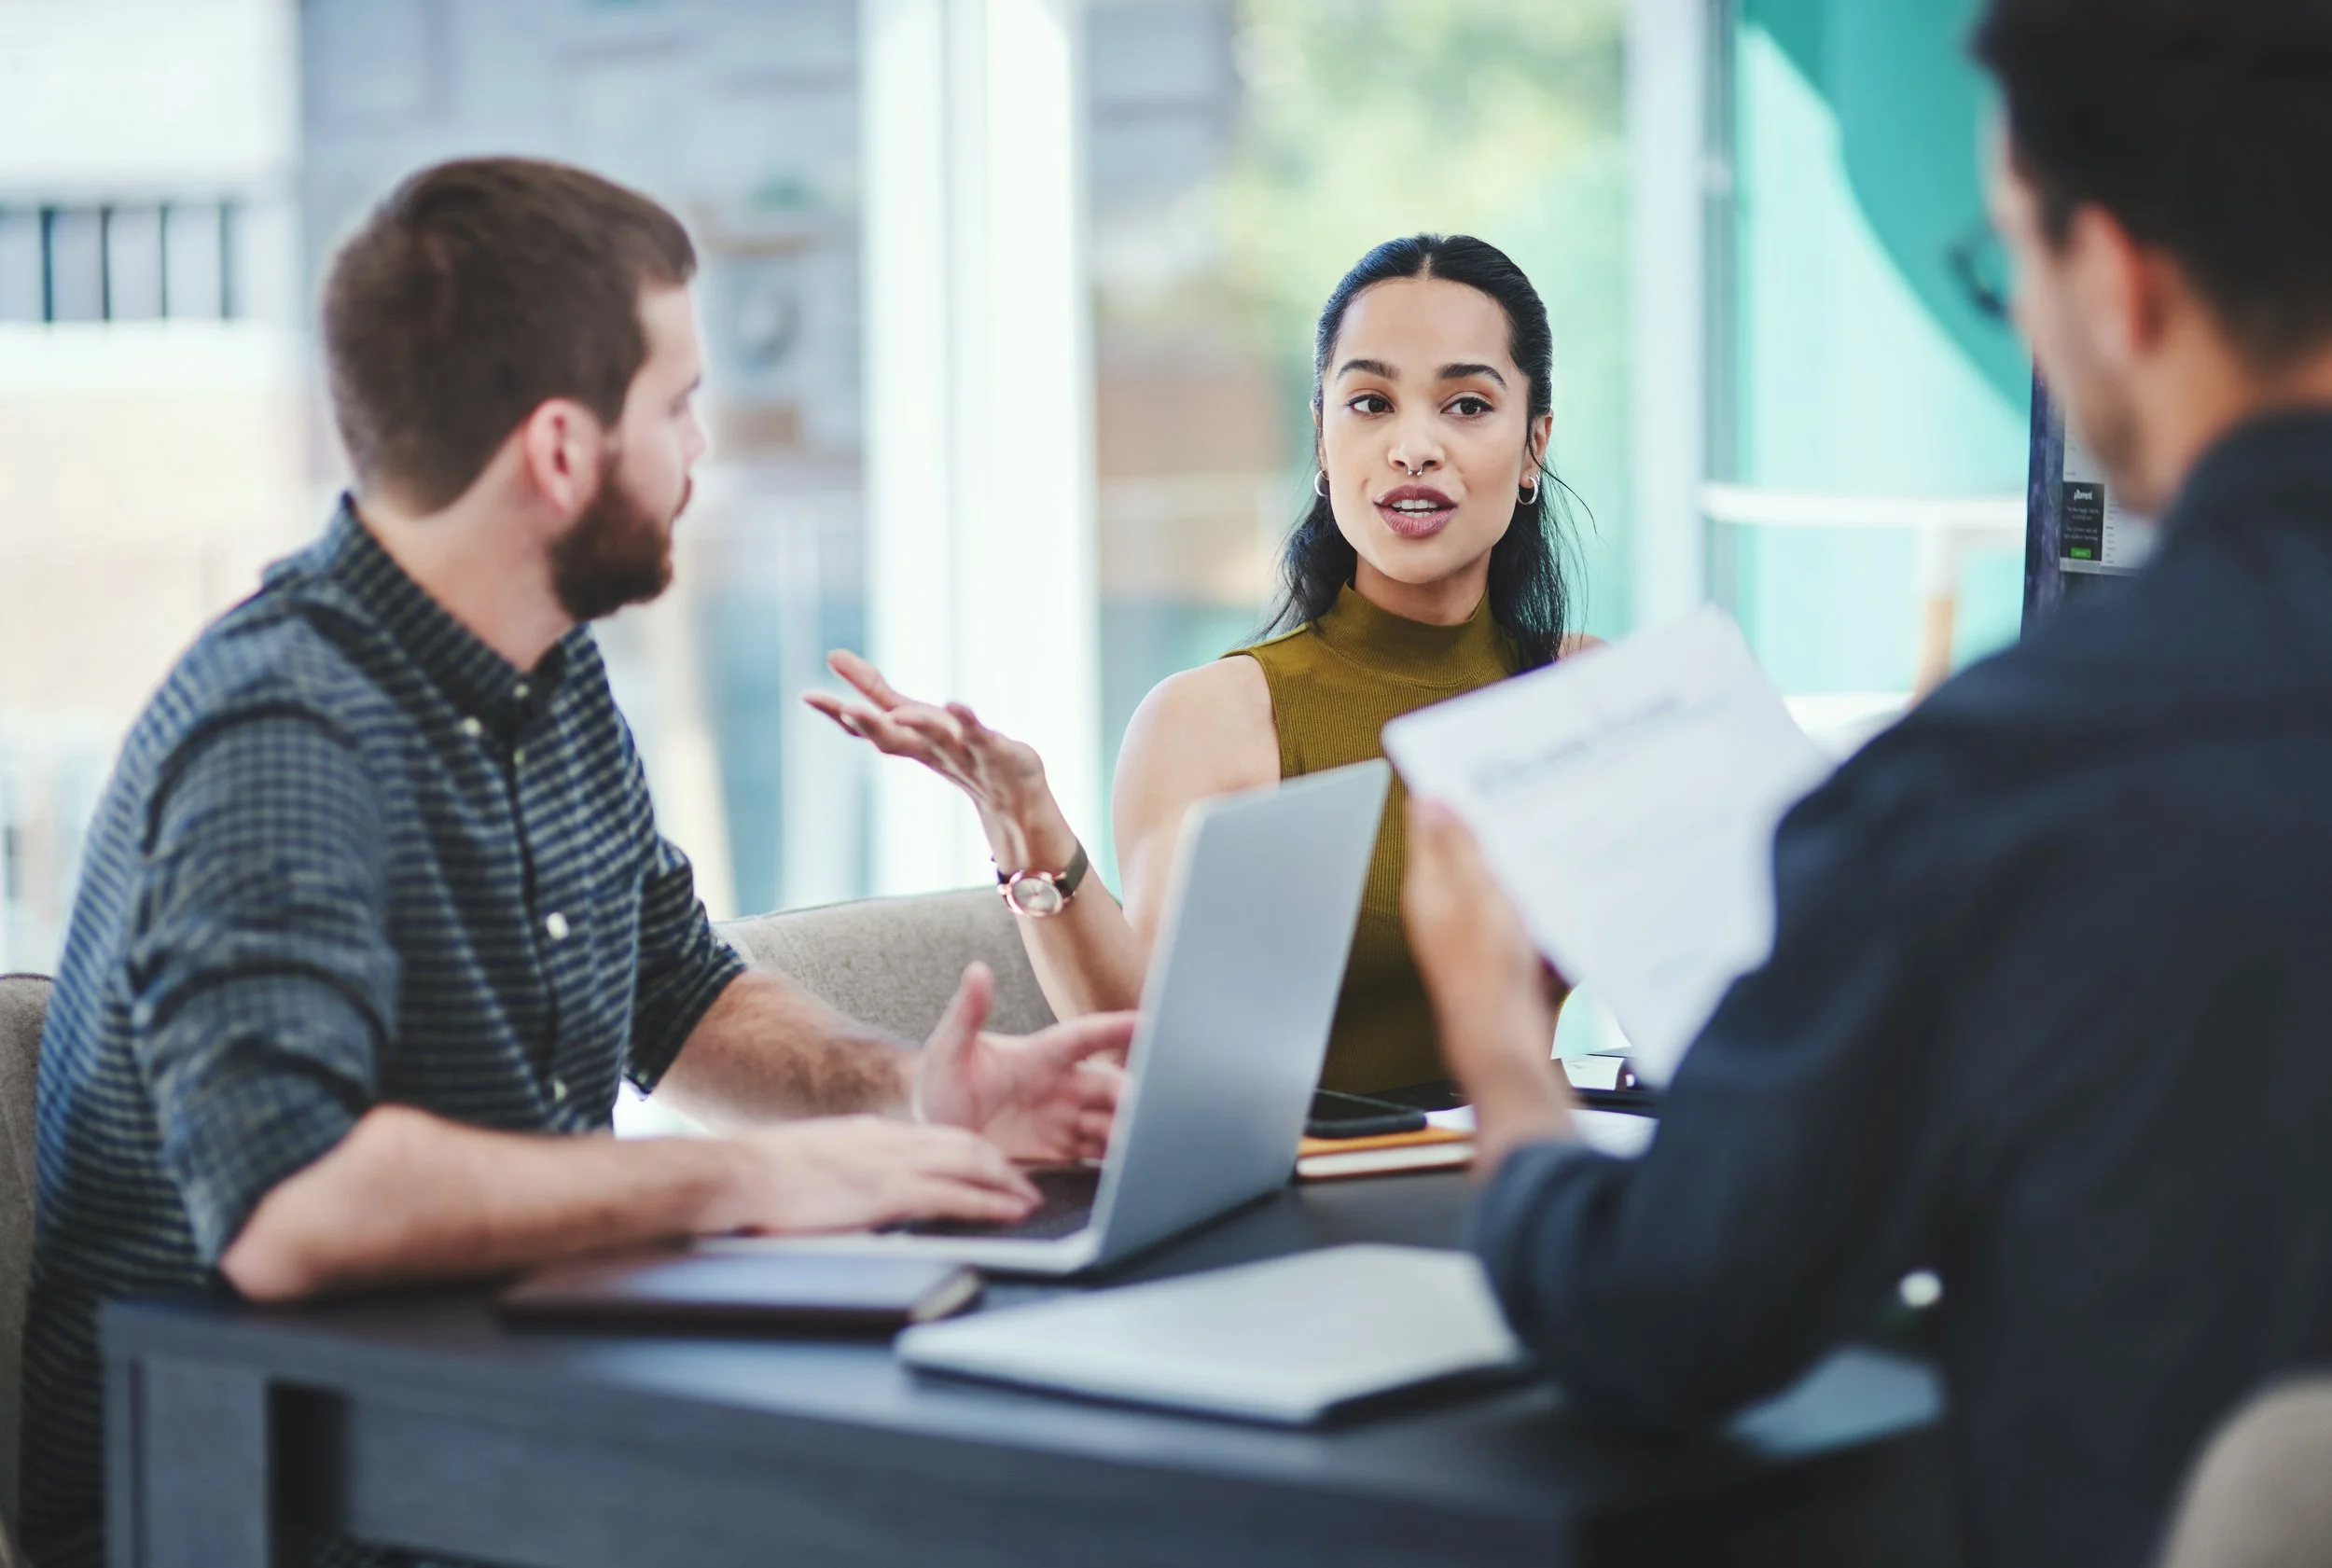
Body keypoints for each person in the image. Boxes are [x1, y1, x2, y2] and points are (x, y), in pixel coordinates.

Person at [21, 158, 1132, 1568]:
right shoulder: (283, 735)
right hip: (283, 1509)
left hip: (507, 1441)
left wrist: (909, 1096)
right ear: (560, 449)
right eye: (676, 406)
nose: (701, 449)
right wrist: (745, 1185)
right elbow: (296, 1210)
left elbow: (682, 999)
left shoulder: (546, 674)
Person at [1397, 4, 2332, 1566]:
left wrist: (1502, 1055)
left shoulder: (2015, 781)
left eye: (2004, 271)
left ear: (2114, 280)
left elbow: (1667, 1320)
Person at [811, 234, 1592, 1096]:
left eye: (1468, 406)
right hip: (1308, 1213)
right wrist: (1025, 822)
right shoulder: (1211, 717)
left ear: (1534, 445)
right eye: (1370, 402)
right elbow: (1137, 1049)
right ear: (1324, 442)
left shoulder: (1589, 696)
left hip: (1539, 1192)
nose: (1414, 445)